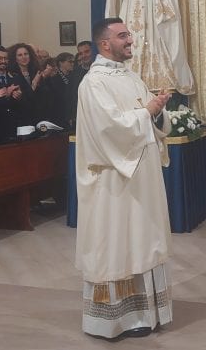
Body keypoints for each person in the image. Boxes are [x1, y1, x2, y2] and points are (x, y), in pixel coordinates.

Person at [74, 17, 173, 340]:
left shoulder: (130, 76)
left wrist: (157, 110)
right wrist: (147, 112)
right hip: (113, 183)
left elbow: (147, 116)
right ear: (105, 44)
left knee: (142, 241)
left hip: (141, 179)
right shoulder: (94, 83)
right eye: (122, 36)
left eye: (129, 34)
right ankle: (117, 320)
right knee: (116, 244)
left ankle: (147, 312)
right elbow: (109, 128)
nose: (130, 40)